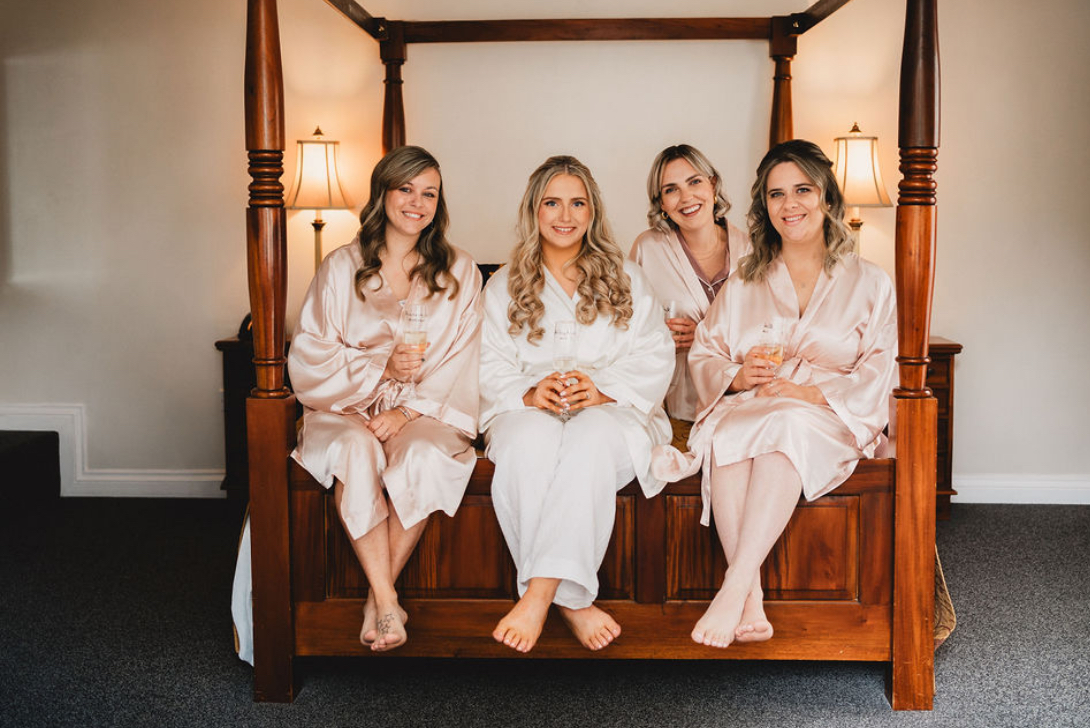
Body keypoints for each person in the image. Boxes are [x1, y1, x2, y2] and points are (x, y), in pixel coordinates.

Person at [675, 140, 897, 648]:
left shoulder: (870, 282)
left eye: (802, 190)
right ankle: (749, 598)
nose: (789, 204)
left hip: (828, 413)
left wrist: (811, 394)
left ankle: (734, 586)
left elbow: (880, 368)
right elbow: (705, 352)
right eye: (776, 194)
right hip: (757, 405)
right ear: (764, 206)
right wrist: (738, 375)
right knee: (729, 433)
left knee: (786, 425)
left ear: (826, 198)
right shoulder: (746, 280)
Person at [288, 145, 482, 652]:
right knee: (354, 450)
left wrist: (406, 410)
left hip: (425, 407)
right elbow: (309, 353)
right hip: (344, 404)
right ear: (383, 193)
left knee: (424, 455)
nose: (417, 203)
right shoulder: (340, 267)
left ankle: (378, 602)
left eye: (429, 194)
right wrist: (380, 367)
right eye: (406, 189)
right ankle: (388, 598)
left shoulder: (460, 271)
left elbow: (468, 357)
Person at [479, 155, 674, 654]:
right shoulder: (503, 285)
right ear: (534, 210)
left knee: (590, 437)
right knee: (525, 445)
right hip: (529, 409)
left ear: (593, 211)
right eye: (552, 203)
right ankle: (574, 602)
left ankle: (538, 595)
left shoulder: (626, 278)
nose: (565, 215)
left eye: (577, 203)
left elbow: (655, 352)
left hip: (614, 410)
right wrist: (528, 393)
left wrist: (603, 389)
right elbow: (485, 361)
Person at [629, 144, 752, 424]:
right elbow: (623, 329)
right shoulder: (647, 249)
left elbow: (773, 331)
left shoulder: (752, 250)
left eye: (694, 182)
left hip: (745, 399)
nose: (686, 197)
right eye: (671, 189)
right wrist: (658, 336)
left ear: (713, 184)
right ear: (661, 203)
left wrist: (704, 335)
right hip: (677, 404)